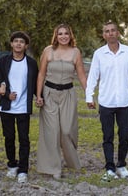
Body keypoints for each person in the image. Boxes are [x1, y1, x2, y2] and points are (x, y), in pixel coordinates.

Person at [85, 21, 128, 181]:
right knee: (108, 136)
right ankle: (110, 167)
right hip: (106, 102)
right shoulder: (99, 54)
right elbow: (93, 77)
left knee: (124, 135)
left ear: (118, 33)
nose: (110, 33)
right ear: (104, 35)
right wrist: (89, 96)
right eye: (107, 31)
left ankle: (122, 165)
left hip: (124, 102)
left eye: (113, 30)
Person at [35, 24, 87, 180]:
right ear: (56, 36)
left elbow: (82, 76)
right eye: (60, 34)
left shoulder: (75, 52)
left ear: (70, 35)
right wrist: (38, 95)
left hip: (68, 94)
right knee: (52, 131)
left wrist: (89, 96)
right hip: (49, 94)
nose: (63, 36)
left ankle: (72, 162)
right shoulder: (48, 51)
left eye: (66, 33)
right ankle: (54, 167)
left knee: (66, 130)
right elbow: (41, 74)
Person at [0, 31, 38, 184]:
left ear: (26, 45)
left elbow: (35, 84)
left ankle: (23, 170)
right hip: (6, 107)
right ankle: (12, 165)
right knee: (9, 137)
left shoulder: (31, 63)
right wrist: (7, 95)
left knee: (24, 139)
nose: (18, 44)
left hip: (23, 108)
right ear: (11, 44)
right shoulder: (3, 62)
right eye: (16, 41)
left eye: (22, 42)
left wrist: (39, 97)